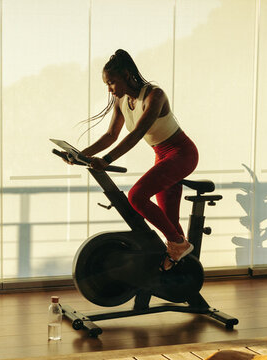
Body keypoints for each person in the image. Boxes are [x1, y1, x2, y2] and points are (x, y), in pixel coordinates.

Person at [69, 49, 199, 271]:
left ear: (127, 75)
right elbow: (111, 135)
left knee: (136, 196)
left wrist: (107, 160)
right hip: (162, 156)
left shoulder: (154, 96)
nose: (109, 89)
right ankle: (184, 272)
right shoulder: (122, 101)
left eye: (111, 83)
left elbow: (137, 134)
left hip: (182, 154)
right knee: (169, 223)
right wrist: (81, 155)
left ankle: (178, 245)